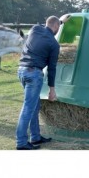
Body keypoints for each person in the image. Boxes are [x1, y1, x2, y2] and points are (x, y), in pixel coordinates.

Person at [16, 14, 71, 150]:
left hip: (21, 70)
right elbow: (51, 68)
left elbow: (48, 25)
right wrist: (52, 89)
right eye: (58, 26)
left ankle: (35, 137)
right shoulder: (54, 44)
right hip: (34, 74)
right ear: (57, 27)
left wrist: (60, 21)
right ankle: (21, 143)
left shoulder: (35, 29)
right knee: (28, 108)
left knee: (34, 106)